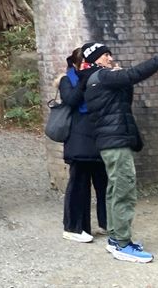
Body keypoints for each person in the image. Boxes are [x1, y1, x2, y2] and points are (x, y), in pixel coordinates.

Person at [83, 38, 158, 264]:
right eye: (105, 54)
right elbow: (133, 74)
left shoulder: (96, 80)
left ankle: (115, 239)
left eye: (110, 53)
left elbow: (123, 98)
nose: (110, 57)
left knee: (114, 190)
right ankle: (123, 244)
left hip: (111, 142)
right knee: (124, 191)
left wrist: (122, 80)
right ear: (95, 59)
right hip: (115, 144)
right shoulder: (102, 76)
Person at [58, 46, 107, 243]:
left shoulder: (101, 78)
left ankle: (107, 222)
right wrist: (85, 79)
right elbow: (71, 100)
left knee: (104, 183)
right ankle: (75, 227)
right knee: (79, 184)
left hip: (100, 138)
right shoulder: (67, 80)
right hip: (78, 141)